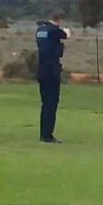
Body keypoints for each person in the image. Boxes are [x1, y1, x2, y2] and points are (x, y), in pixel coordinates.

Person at [35, 11, 71, 143]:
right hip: (52, 71)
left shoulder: (40, 30)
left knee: (45, 103)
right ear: (59, 20)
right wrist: (66, 30)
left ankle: (44, 133)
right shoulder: (54, 30)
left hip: (41, 70)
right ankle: (47, 135)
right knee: (51, 103)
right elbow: (65, 36)